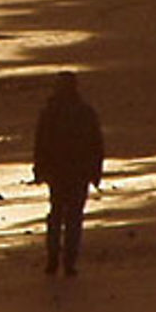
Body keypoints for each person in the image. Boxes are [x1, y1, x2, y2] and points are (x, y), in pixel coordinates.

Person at [32, 71, 104, 276]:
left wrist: (39, 168)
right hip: (76, 172)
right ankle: (66, 262)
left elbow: (40, 143)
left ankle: (54, 260)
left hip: (60, 172)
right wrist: (96, 171)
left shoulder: (50, 112)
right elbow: (96, 144)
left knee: (57, 214)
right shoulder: (84, 112)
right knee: (72, 217)